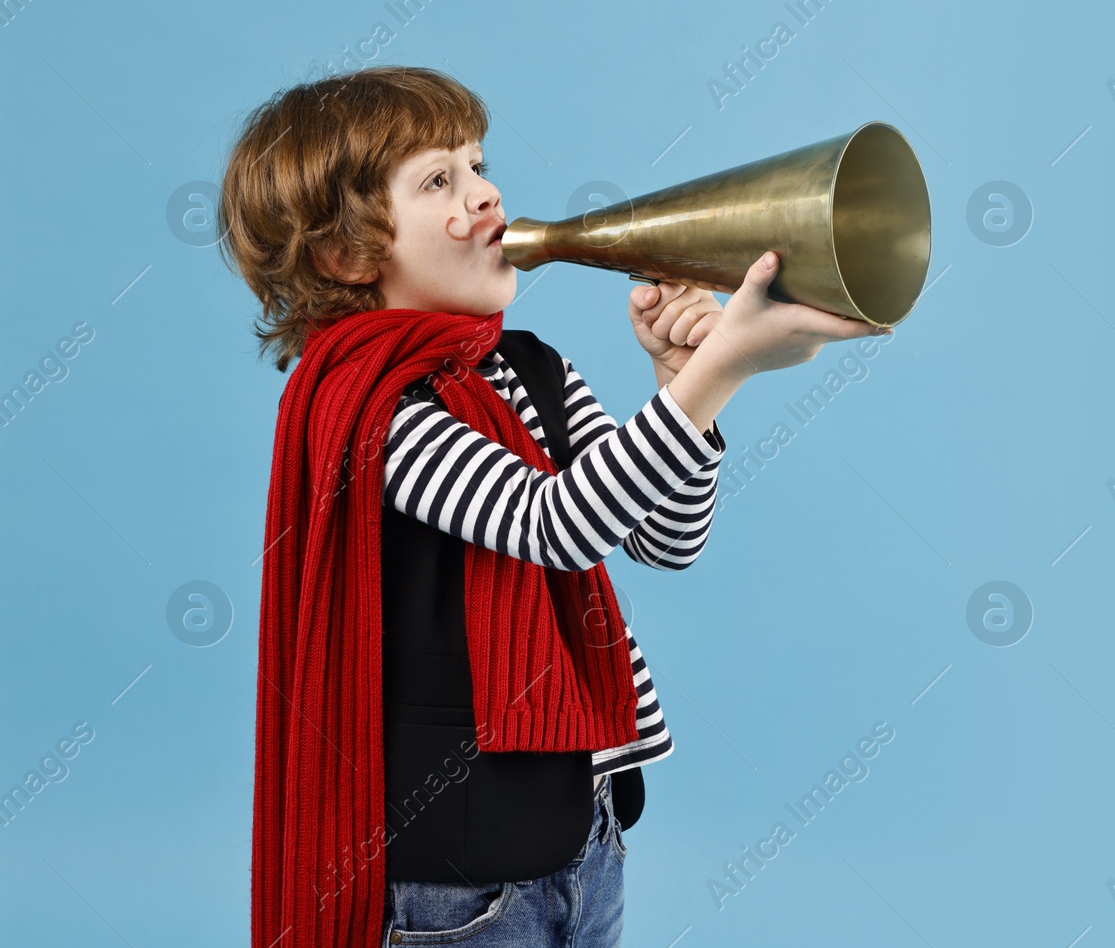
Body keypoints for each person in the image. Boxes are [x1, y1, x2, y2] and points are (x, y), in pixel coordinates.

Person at [217, 65, 890, 947]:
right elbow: (556, 525)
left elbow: (661, 535)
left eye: (477, 163)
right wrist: (723, 365)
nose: (486, 193)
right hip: (459, 880)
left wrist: (686, 383)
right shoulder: (378, 414)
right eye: (438, 181)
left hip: (586, 833)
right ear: (346, 254)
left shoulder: (528, 364)